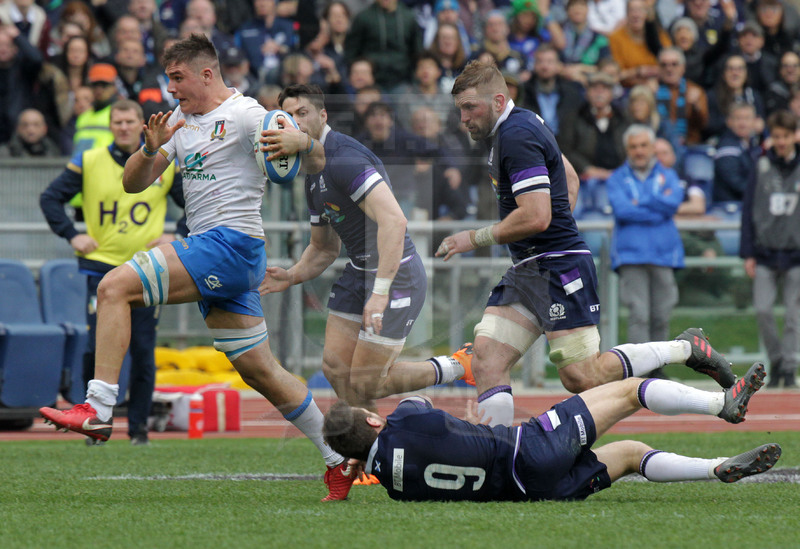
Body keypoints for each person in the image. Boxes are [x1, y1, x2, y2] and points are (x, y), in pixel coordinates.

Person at [39, 34, 353, 502]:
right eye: (168, 79)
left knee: (113, 287)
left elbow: (316, 159)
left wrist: (301, 139)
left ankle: (98, 408)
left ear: (207, 74)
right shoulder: (182, 120)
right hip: (222, 252)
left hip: (230, 244)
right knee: (259, 370)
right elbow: (133, 185)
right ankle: (337, 457)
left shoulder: (246, 114)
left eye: (178, 78)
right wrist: (150, 149)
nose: (171, 89)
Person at [436, 61, 735, 427]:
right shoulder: (522, 124)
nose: (464, 118)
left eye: (470, 107)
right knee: (486, 358)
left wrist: (473, 237)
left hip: (557, 268)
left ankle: (685, 348)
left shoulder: (516, 136)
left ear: (498, 100)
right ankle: (497, 457)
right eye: (460, 110)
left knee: (583, 377)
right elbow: (571, 176)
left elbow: (536, 217)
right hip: (532, 266)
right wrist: (556, 225)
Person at [262, 84, 468, 409]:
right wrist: (291, 276)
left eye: (302, 113)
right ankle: (367, 448)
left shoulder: (344, 159)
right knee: (335, 369)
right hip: (358, 271)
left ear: (323, 115)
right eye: (287, 116)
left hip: (396, 274)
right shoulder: (312, 174)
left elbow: (395, 222)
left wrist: (380, 291)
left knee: (367, 380)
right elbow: (323, 249)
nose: (295, 122)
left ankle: (459, 365)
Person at [322, 362, 778, 502]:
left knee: (630, 454)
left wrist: (367, 461)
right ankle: (723, 403)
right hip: (530, 448)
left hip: (532, 491)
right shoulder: (402, 418)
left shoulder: (393, 489)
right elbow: (414, 404)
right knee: (630, 390)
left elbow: (387, 453)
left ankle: (716, 468)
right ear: (372, 420)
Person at [39, 99, 186, 446]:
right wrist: (72, 233)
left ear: (141, 125)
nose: (122, 126)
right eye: (116, 121)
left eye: (129, 121)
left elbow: (195, 202)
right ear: (110, 125)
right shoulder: (88, 161)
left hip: (146, 268)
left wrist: (176, 233)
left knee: (143, 350)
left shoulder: (162, 161)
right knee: (94, 348)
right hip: (102, 267)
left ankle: (138, 431)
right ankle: (93, 420)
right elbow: (50, 198)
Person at [607, 125, 684, 369]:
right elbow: (622, 210)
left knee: (662, 315)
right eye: (633, 146)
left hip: (664, 254)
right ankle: (640, 370)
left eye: (643, 145)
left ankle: (659, 369)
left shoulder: (668, 174)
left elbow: (673, 204)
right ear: (626, 149)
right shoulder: (616, 178)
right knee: (639, 315)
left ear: (652, 148)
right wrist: (656, 207)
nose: (639, 151)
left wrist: (641, 202)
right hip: (631, 255)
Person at [740, 109, 800, 388]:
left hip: (795, 253)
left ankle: (788, 366)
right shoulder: (760, 166)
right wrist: (748, 252)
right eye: (777, 136)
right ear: (771, 137)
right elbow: (748, 210)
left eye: (786, 136)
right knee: (763, 310)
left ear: (794, 136)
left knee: (793, 314)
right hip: (764, 252)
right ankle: (776, 358)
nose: (782, 141)